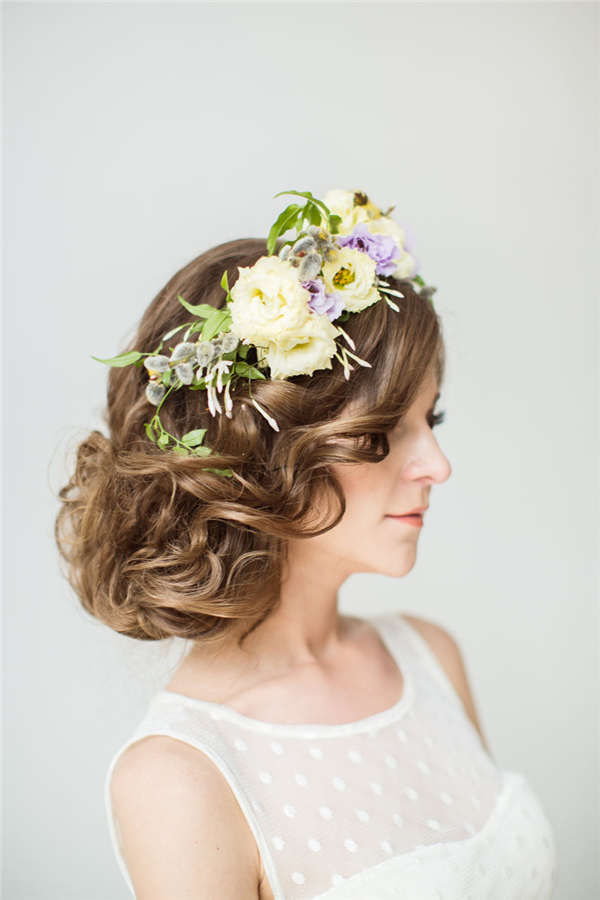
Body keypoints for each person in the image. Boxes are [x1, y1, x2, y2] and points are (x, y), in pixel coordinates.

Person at [55, 189, 558, 899]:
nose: (437, 466)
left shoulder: (431, 659)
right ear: (255, 457)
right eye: (378, 436)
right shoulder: (181, 778)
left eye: (432, 417)